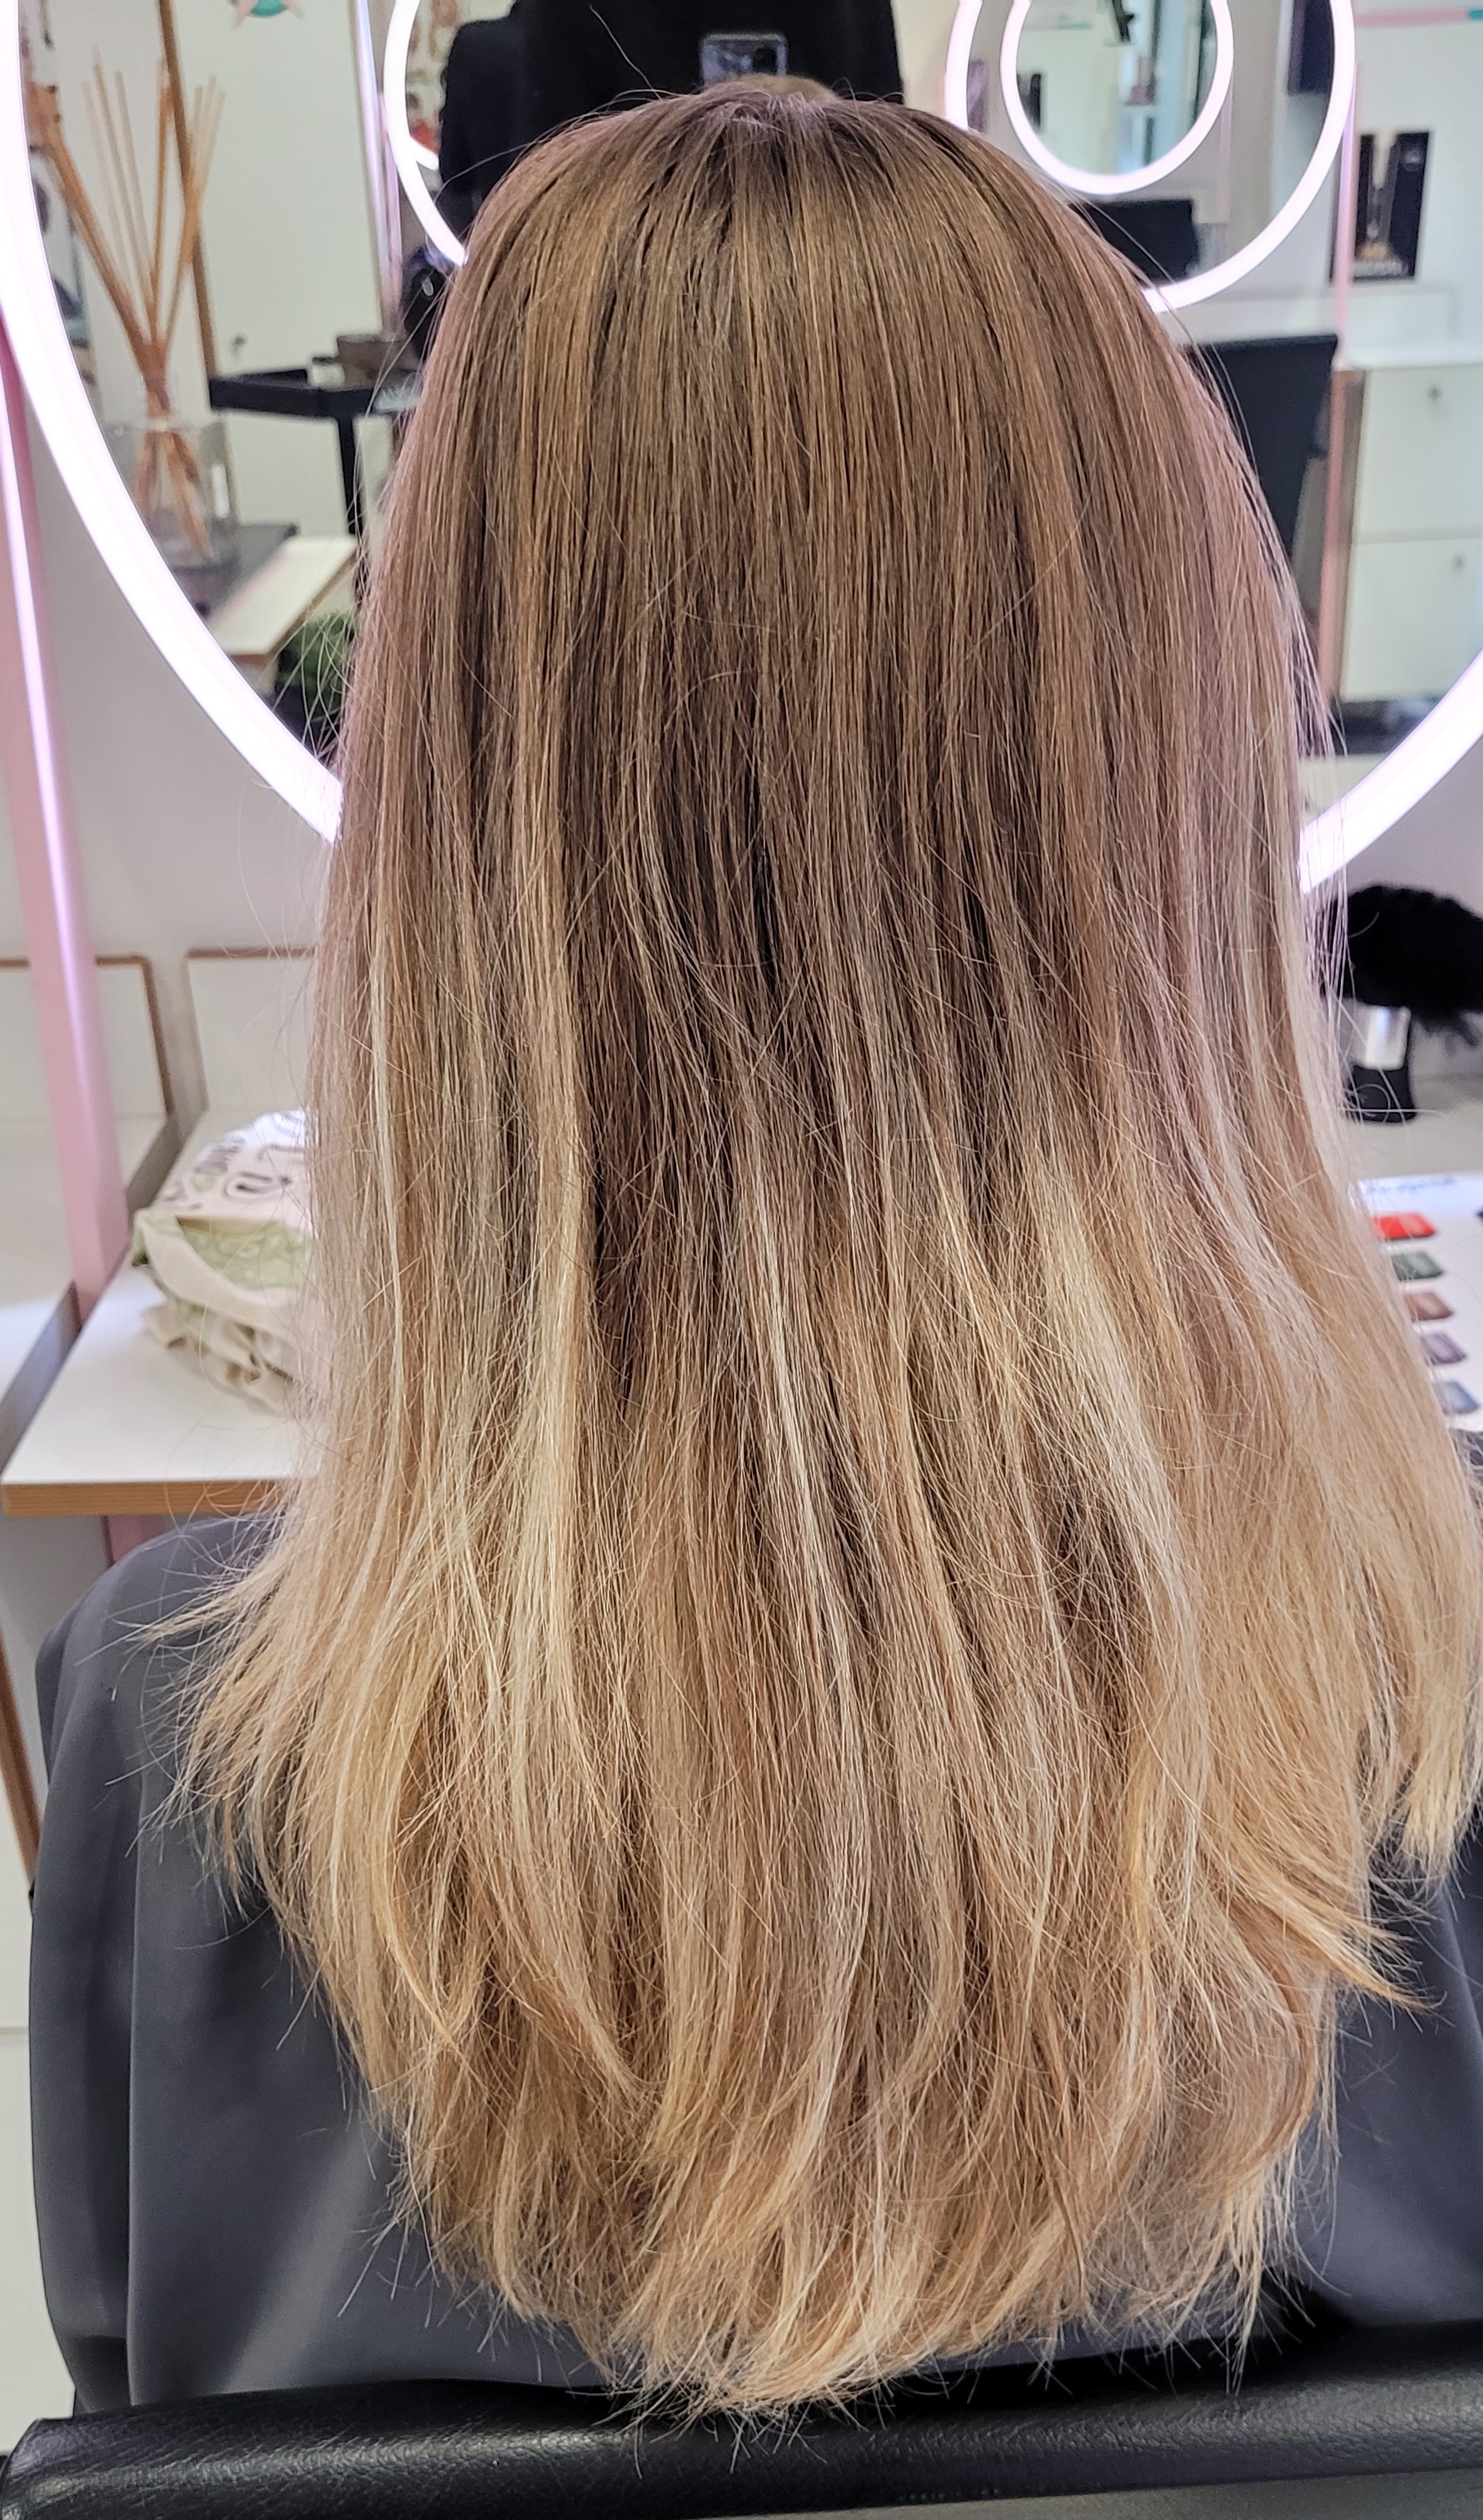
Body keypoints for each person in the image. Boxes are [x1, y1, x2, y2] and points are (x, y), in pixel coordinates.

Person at [30, 87, 1483, 2420]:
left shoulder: (170, 1746)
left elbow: (148, 2422)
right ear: (1181, 820)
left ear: (459, 855)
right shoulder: (1438, 1721)